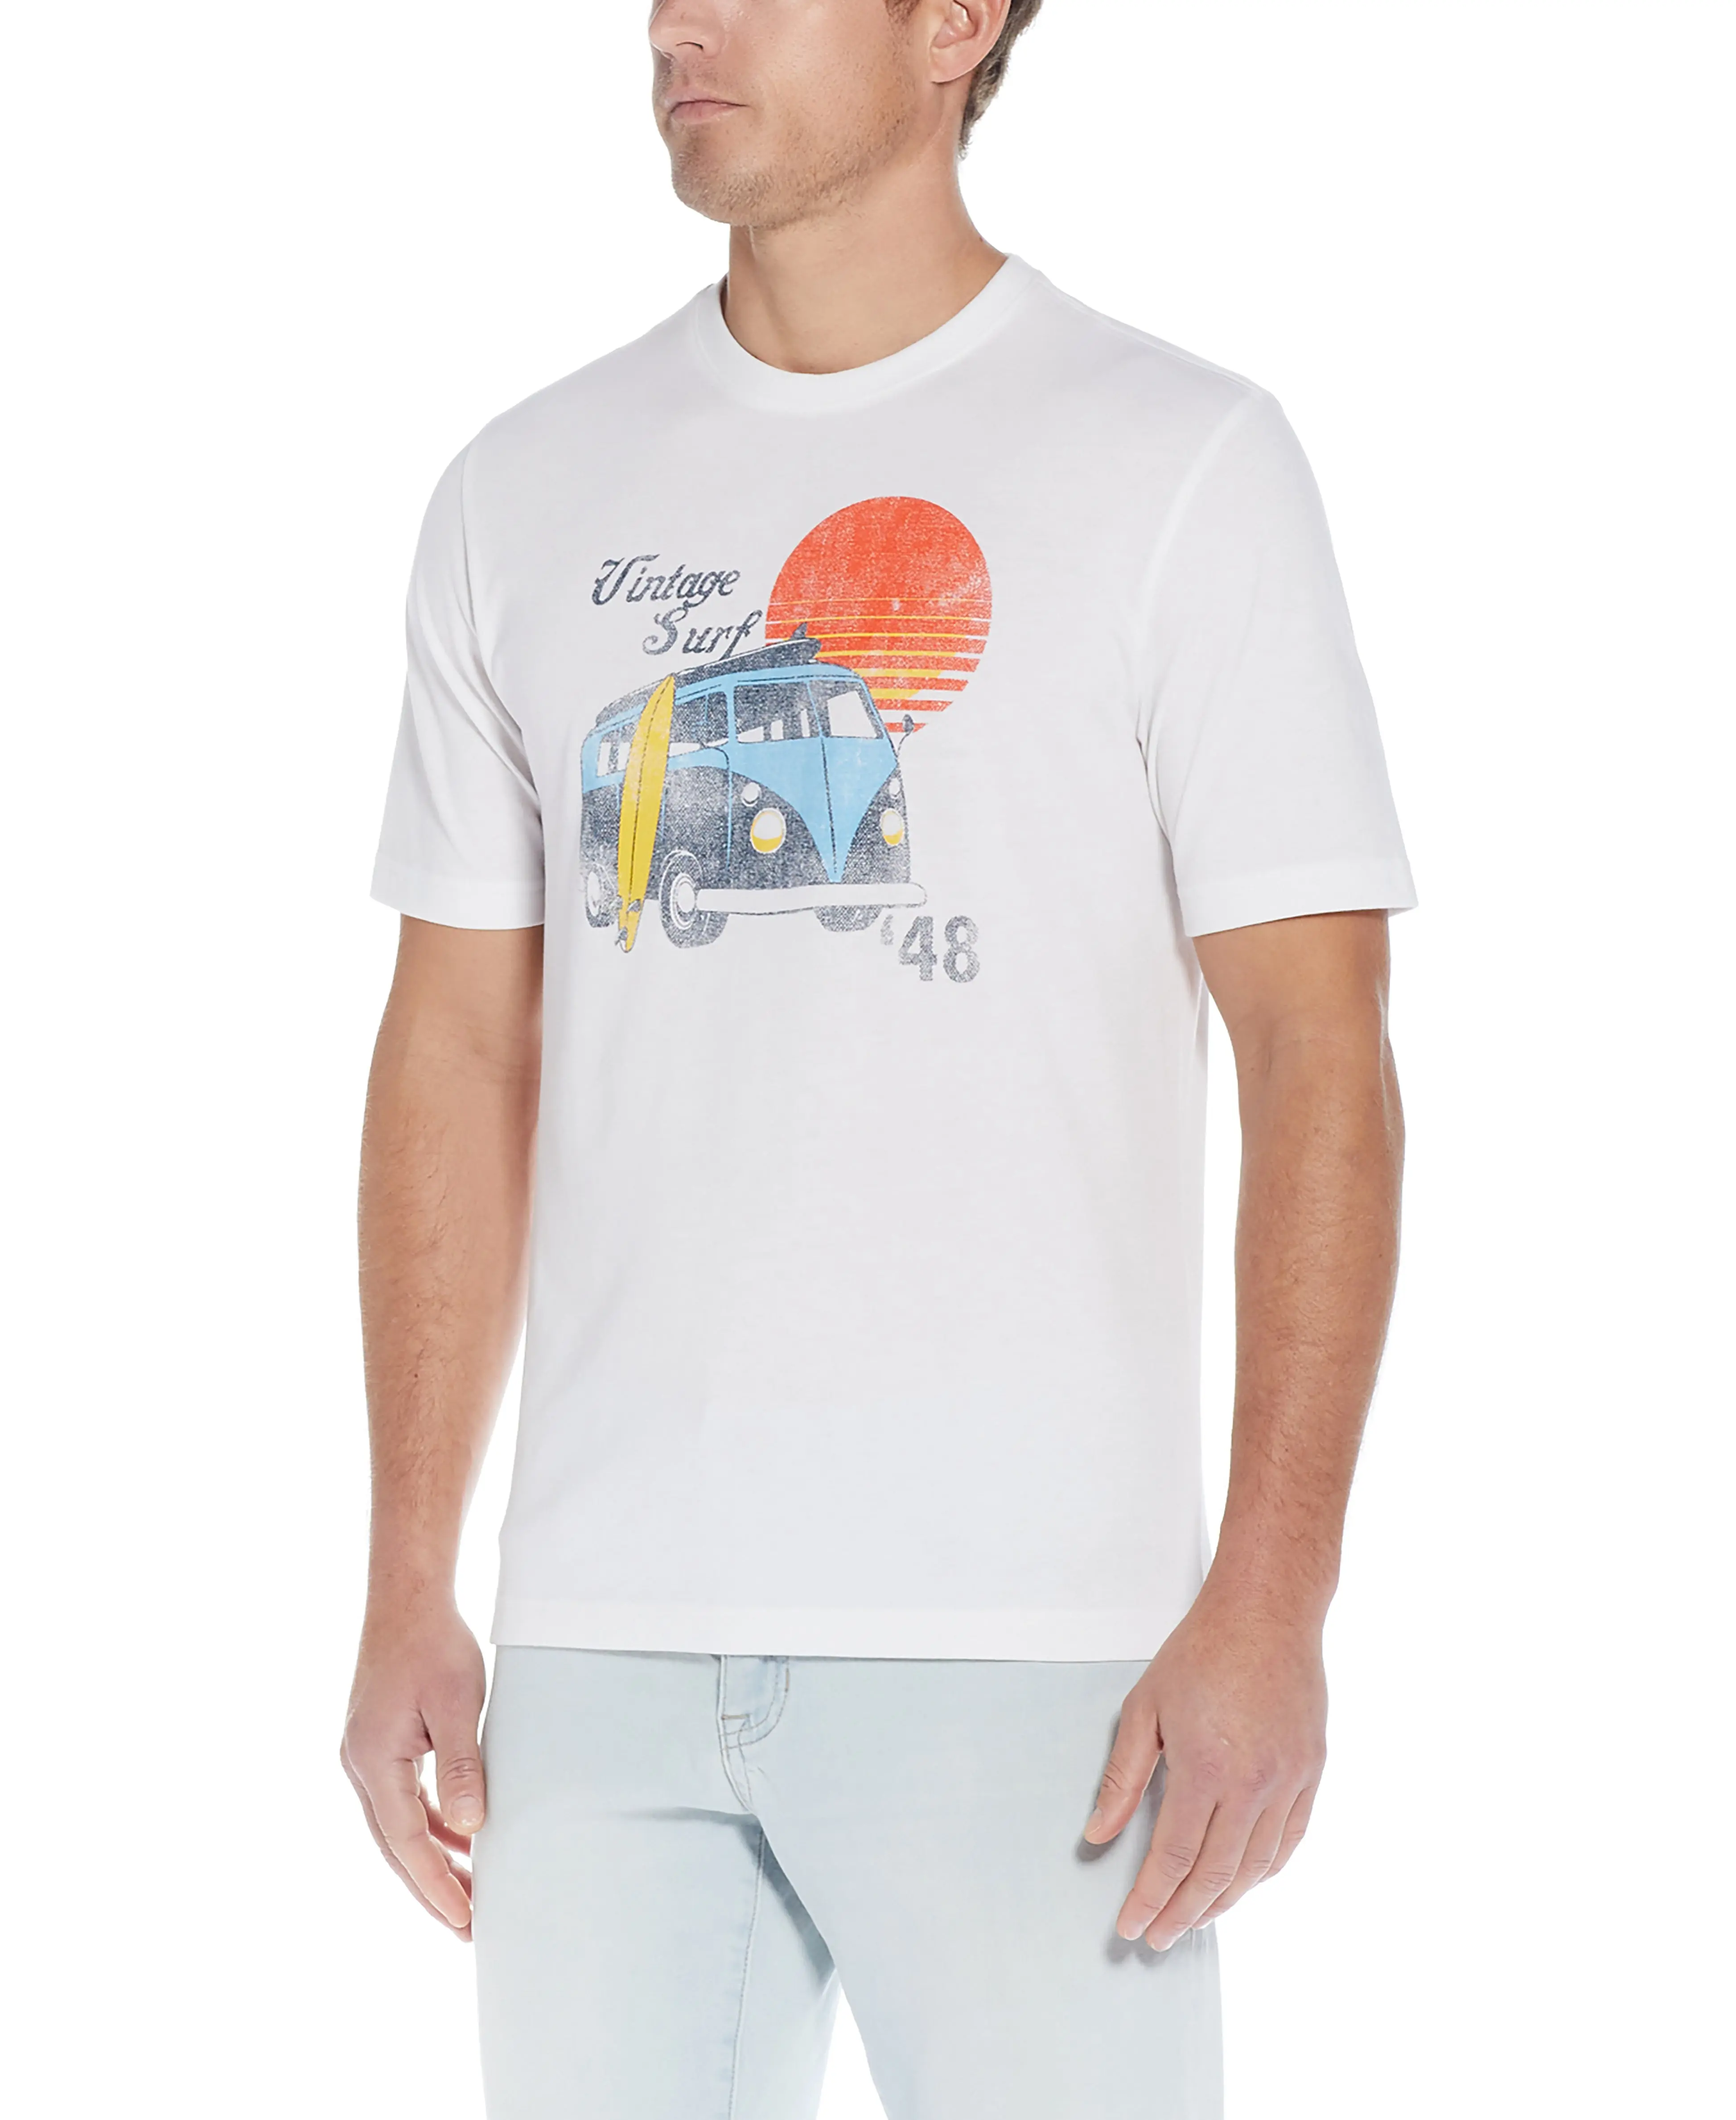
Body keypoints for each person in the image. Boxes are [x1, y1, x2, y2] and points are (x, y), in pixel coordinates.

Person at [341, 2, 1414, 2113]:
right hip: (603, 1643)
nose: (681, 21)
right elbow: (454, 1044)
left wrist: (1271, 1598)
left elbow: (1320, 1056)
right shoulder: (519, 489)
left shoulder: (1177, 462)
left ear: (954, 21)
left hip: (1037, 1656)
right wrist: (404, 1579)